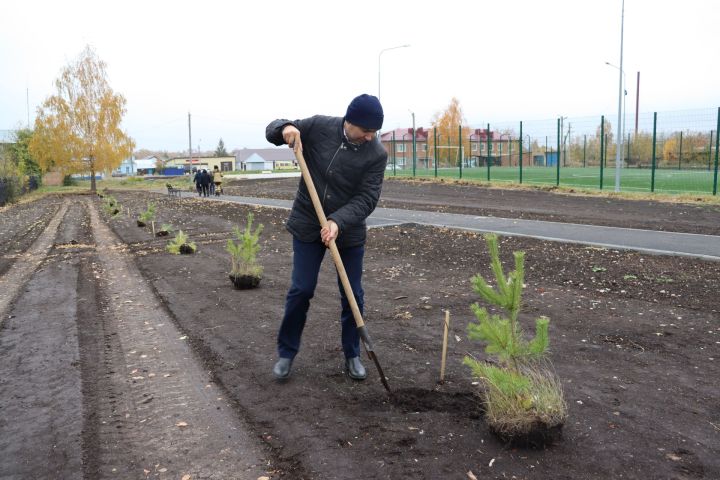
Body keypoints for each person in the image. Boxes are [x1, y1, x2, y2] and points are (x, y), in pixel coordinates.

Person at [265, 94, 387, 381]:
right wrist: (285, 129)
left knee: (352, 294)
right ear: (350, 122)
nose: (371, 137)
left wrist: (337, 221)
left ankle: (353, 354)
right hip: (308, 223)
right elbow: (274, 129)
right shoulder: (320, 127)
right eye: (367, 131)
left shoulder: (376, 154)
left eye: (374, 132)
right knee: (301, 289)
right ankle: (286, 353)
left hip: (348, 230)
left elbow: (368, 198)